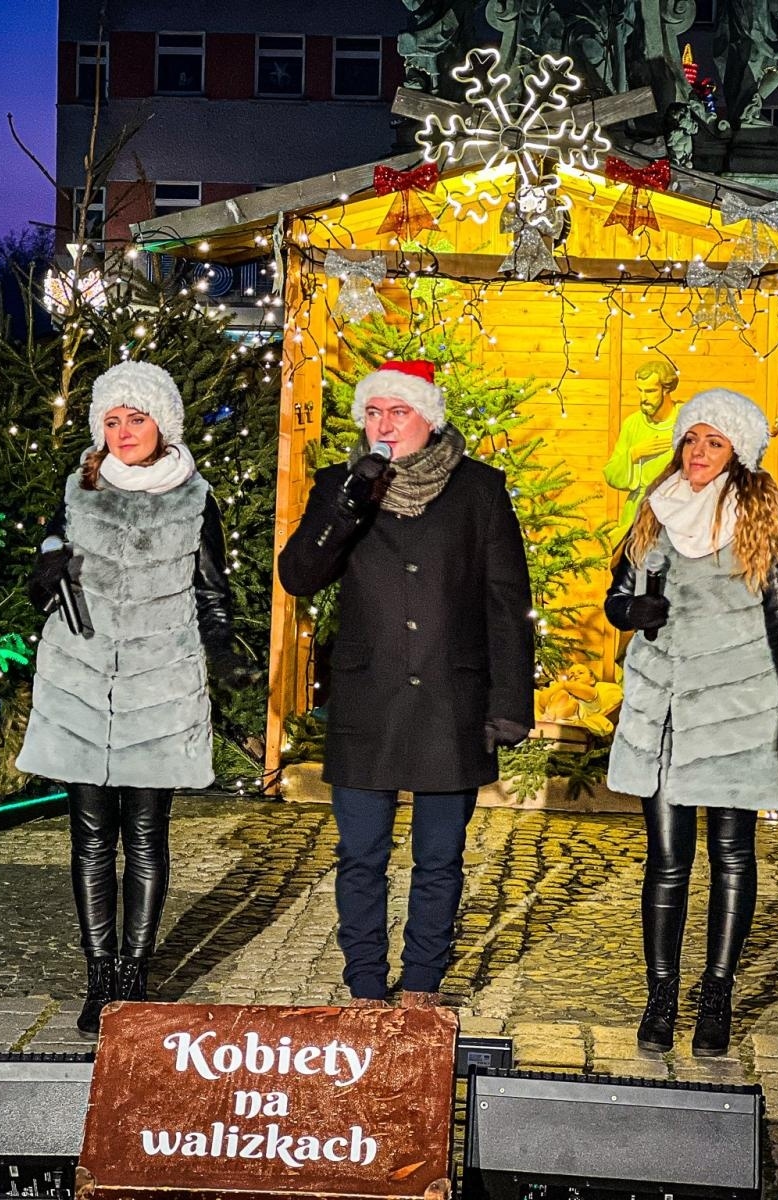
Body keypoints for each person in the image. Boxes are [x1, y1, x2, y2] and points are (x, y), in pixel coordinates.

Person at [278, 360, 534, 1009]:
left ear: (430, 418)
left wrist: (509, 701)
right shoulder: (342, 485)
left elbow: (507, 602)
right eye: (373, 412)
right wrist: (345, 507)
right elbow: (300, 574)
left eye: (399, 412)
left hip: (452, 698)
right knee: (361, 854)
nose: (384, 425)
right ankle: (365, 982)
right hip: (368, 698)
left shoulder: (480, 491)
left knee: (439, 857)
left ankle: (421, 982)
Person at [15, 360, 253, 1035]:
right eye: (112, 420)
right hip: (81, 684)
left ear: (163, 423)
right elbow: (44, 584)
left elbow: (213, 595)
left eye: (136, 418)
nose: (124, 431)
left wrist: (226, 652)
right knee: (92, 838)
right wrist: (47, 569)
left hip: (158, 689)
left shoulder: (196, 499)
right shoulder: (76, 490)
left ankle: (135, 977)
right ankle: (99, 977)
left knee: (145, 836)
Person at [603, 388, 778, 1057]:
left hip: (736, 710)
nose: (697, 453)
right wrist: (631, 615)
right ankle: (660, 995)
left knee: (731, 855)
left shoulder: (762, 514)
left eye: (713, 442)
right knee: (666, 861)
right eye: (692, 439)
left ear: (738, 453)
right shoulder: (657, 509)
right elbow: (617, 593)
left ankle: (715, 994)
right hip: (663, 710)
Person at [602, 360, 683, 538]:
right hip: (637, 511)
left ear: (666, 389)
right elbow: (611, 473)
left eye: (651, 391)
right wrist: (634, 453)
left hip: (677, 511)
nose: (643, 397)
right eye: (640, 390)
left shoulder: (687, 420)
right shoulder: (633, 424)